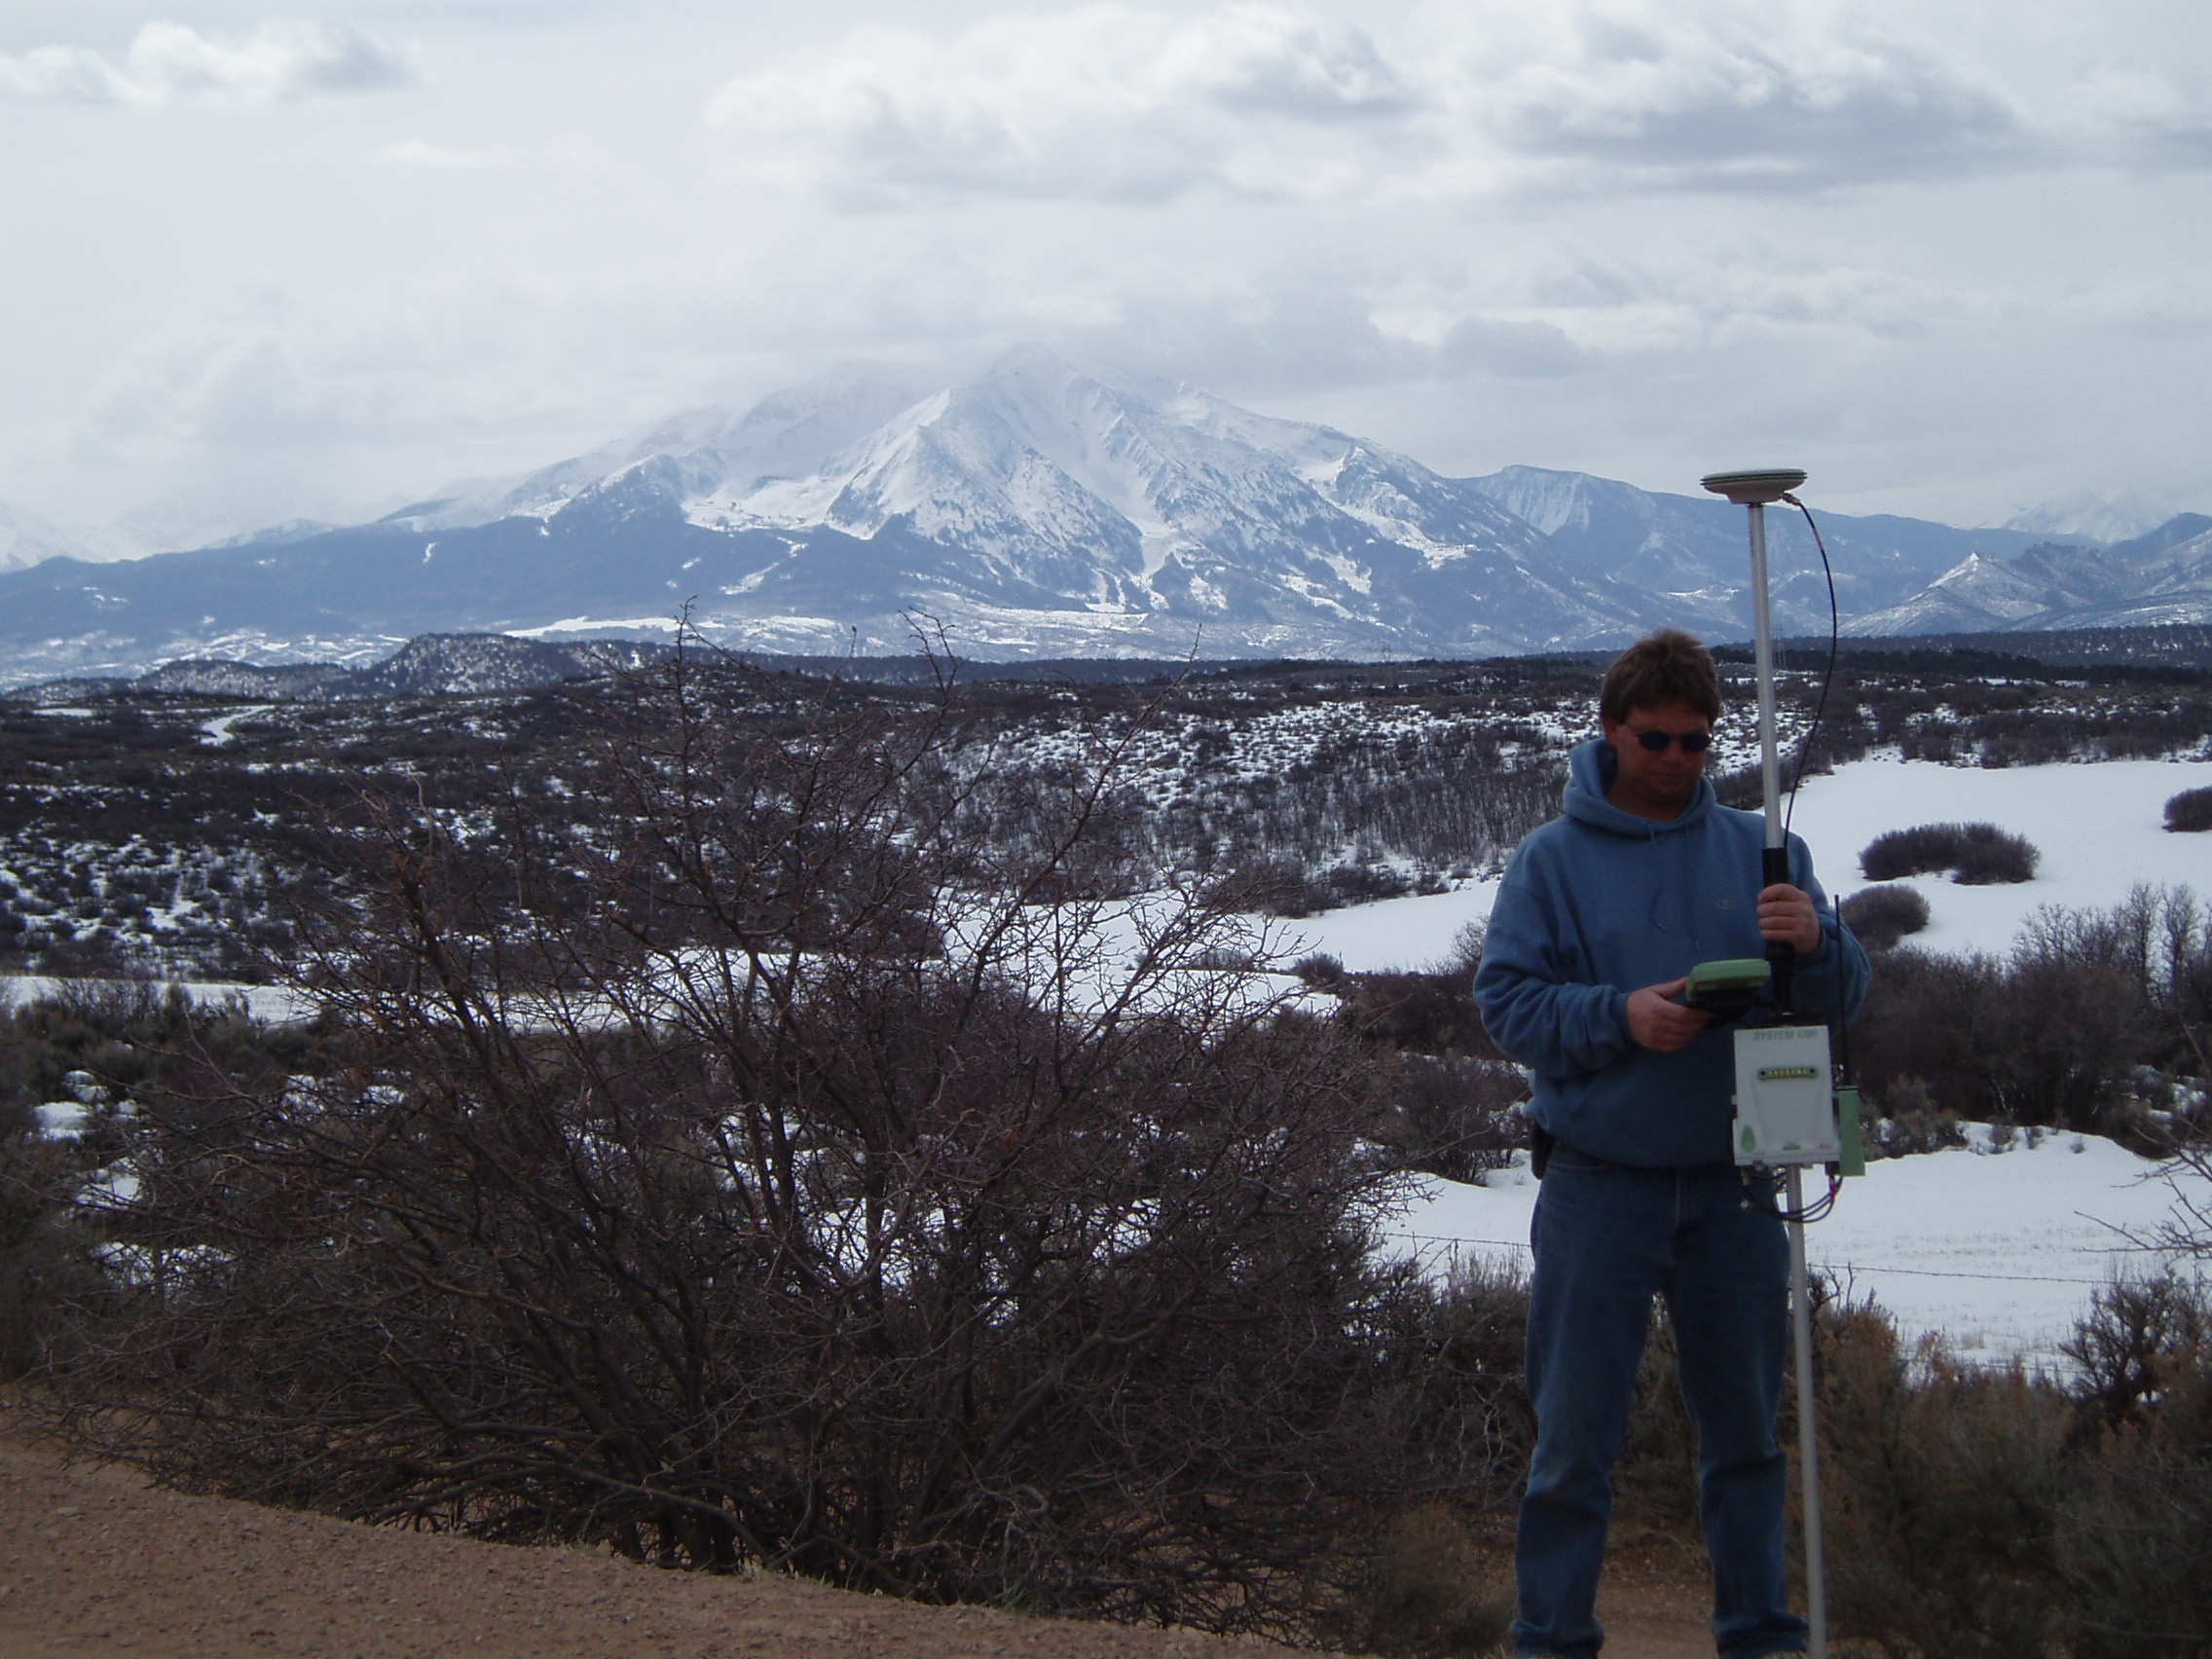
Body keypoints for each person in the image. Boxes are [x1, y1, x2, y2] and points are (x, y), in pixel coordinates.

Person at [1472, 628, 1869, 1659]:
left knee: (1744, 1440)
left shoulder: (1761, 851)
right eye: (1657, 740)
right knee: (1572, 1446)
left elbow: (1844, 1000)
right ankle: (1550, 1641)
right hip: (1600, 1188)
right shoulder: (1548, 862)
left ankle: (1761, 1636)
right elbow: (1506, 1004)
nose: (1678, 761)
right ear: (1610, 731)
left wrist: (1818, 944)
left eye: (1698, 743)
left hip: (1737, 1187)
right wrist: (1620, 1017)